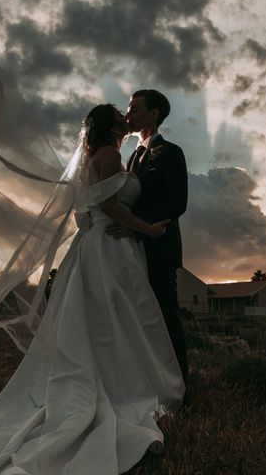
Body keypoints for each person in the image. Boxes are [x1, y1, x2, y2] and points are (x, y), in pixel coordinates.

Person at [0, 104, 185, 474]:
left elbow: (97, 204)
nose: (127, 115)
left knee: (108, 316)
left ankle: (120, 375)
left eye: (133, 110)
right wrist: (147, 229)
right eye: (122, 113)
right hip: (109, 248)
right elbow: (107, 203)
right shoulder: (108, 154)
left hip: (106, 246)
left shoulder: (110, 154)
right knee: (114, 315)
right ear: (111, 127)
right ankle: (123, 383)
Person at [107, 89, 189, 395]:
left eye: (136, 108)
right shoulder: (131, 156)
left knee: (166, 318)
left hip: (159, 247)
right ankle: (149, 384)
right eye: (129, 109)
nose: (130, 114)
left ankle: (182, 389)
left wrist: (139, 229)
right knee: (140, 320)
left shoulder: (170, 152)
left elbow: (177, 202)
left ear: (154, 113)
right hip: (131, 250)